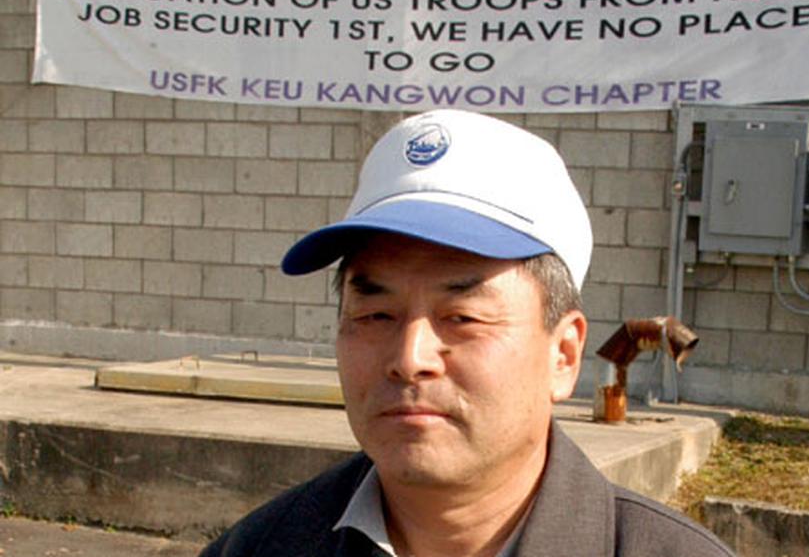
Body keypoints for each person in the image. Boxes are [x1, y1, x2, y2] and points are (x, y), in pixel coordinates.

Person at [200, 109, 733, 557]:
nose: (410, 359)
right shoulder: (261, 547)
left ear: (563, 355)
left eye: (462, 316)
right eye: (375, 314)